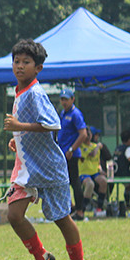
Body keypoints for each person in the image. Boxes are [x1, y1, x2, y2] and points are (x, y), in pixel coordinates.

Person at [2, 39, 92, 260]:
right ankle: (42, 258)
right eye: (16, 61)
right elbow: (32, 127)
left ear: (38, 68)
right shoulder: (20, 90)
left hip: (50, 169)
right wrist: (17, 139)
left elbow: (53, 124)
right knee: (14, 215)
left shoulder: (35, 93)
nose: (20, 66)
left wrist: (20, 128)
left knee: (61, 219)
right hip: (28, 169)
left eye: (26, 62)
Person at [56, 88, 89, 221]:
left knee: (75, 182)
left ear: (72, 99)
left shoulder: (76, 114)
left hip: (71, 155)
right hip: (62, 154)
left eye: (66, 99)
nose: (64, 102)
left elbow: (83, 134)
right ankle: (70, 209)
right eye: (62, 99)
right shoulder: (63, 113)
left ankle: (80, 212)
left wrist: (71, 149)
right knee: (63, 183)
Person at [77, 127, 108, 216]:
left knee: (103, 181)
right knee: (90, 184)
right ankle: (82, 209)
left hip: (95, 173)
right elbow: (92, 154)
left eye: (89, 134)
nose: (88, 136)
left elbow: (97, 161)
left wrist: (101, 170)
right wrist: (98, 146)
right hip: (84, 173)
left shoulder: (94, 146)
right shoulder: (81, 147)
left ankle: (99, 208)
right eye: (86, 134)